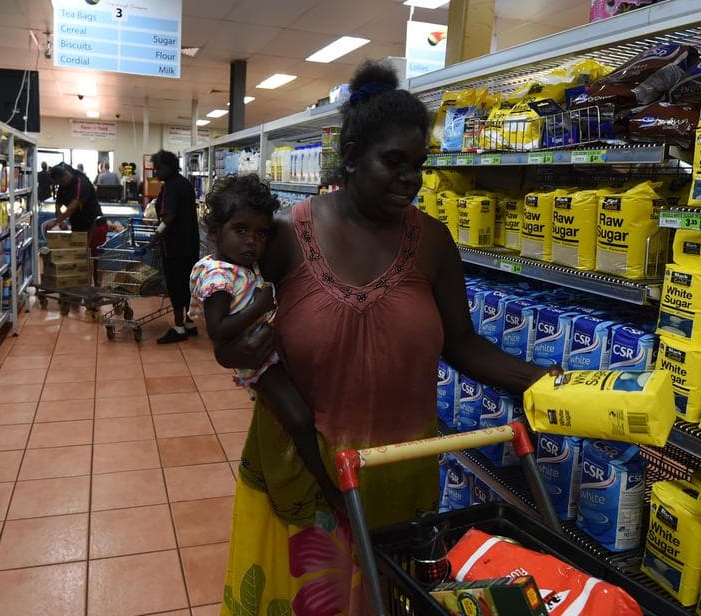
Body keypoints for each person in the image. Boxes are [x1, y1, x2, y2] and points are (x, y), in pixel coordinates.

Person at [214, 61, 550, 613]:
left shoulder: (435, 244)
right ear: (350, 157)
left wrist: (542, 380)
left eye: (418, 165)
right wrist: (229, 346)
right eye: (393, 162)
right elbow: (229, 307)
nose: (410, 178)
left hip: (401, 473)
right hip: (306, 474)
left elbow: (461, 343)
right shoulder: (286, 236)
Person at [189, 175, 281, 390]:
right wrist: (261, 306)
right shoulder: (218, 277)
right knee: (299, 419)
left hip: (267, 350)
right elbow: (217, 330)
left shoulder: (245, 264)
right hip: (260, 363)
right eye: (241, 229)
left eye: (261, 233)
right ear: (215, 231)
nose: (251, 240)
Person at [151, 149, 199, 344]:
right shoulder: (184, 183)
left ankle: (179, 328)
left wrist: (156, 234)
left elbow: (169, 216)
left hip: (175, 247)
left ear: (168, 166)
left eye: (158, 167)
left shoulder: (171, 186)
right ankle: (189, 323)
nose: (155, 172)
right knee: (187, 285)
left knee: (176, 286)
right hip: (189, 244)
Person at [44, 162, 107, 250]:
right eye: (57, 184)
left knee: (91, 256)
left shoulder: (81, 181)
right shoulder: (63, 184)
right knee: (78, 256)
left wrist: (56, 222)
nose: (60, 185)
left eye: (60, 182)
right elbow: (58, 205)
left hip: (94, 225)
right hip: (79, 226)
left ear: (65, 175)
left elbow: (73, 207)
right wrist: (61, 222)